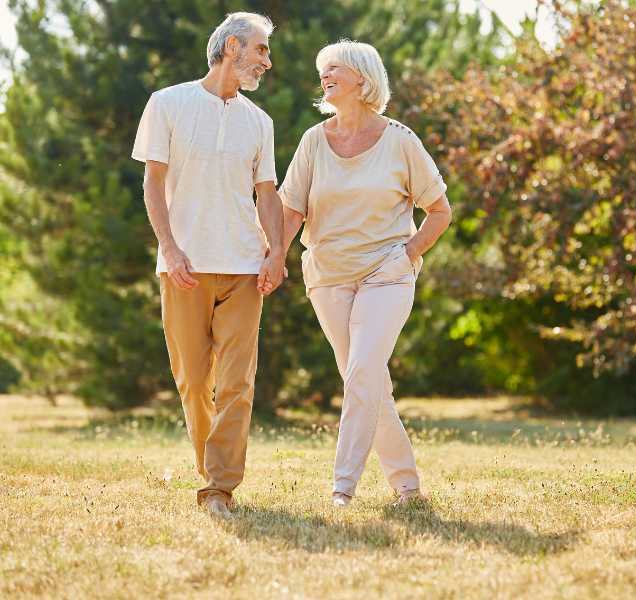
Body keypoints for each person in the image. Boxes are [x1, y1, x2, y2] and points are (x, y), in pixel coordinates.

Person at [279, 40, 453, 507]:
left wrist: (409, 254)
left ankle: (342, 488)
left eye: (335, 68)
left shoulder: (400, 139)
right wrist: (273, 255)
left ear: (362, 77)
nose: (325, 75)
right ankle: (408, 487)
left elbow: (439, 210)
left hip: (386, 274)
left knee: (361, 373)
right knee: (369, 382)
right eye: (323, 69)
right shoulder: (314, 141)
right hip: (328, 276)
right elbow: (291, 210)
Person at [131, 12, 286, 520]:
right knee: (194, 380)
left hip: (244, 266)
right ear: (233, 47)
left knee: (238, 382)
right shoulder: (168, 104)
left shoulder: (259, 121)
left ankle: (220, 485)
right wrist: (170, 249)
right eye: (261, 50)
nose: (267, 60)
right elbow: (153, 184)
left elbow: (267, 193)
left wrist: (277, 251)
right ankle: (209, 466)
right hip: (184, 267)